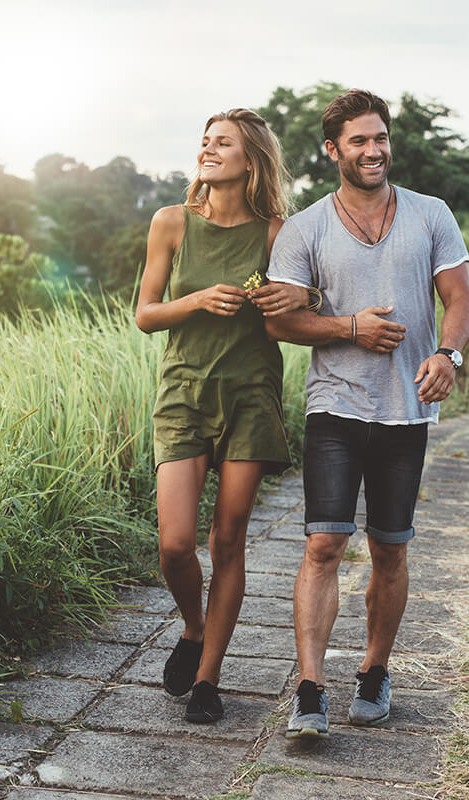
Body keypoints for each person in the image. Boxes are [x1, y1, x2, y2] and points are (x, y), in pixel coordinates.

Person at [264, 89, 469, 739]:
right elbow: (282, 320)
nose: (373, 149)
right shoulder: (306, 227)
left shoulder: (430, 214)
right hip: (335, 404)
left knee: (390, 548)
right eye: (358, 140)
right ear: (333, 150)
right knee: (324, 541)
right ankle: (309, 688)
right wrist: (349, 328)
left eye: (379, 137)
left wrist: (448, 354)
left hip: (407, 411)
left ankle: (375, 671)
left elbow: (459, 298)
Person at [135, 108, 308, 724]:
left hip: (251, 396)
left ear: (250, 159)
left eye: (222, 143)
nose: (208, 150)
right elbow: (146, 313)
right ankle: (191, 626)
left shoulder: (275, 234)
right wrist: (198, 300)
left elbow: (299, 307)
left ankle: (208, 679)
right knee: (176, 543)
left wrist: (296, 295)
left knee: (227, 540)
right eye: (205, 142)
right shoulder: (172, 223)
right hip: (183, 392)